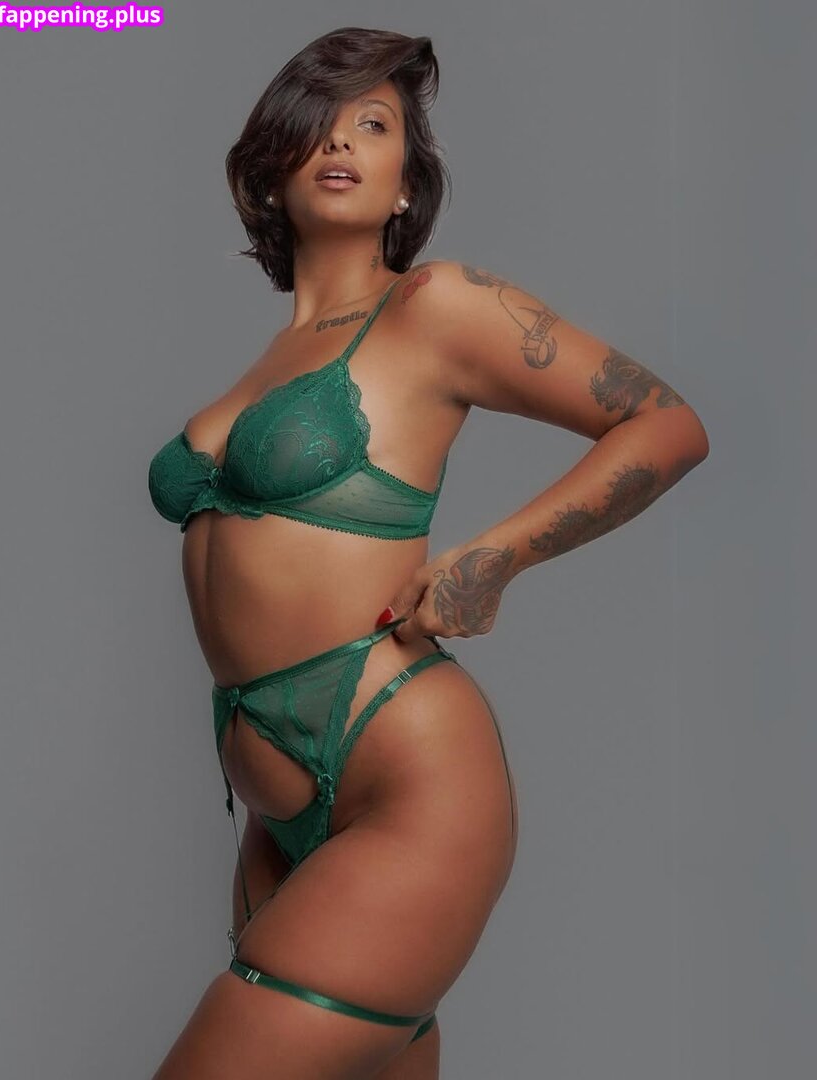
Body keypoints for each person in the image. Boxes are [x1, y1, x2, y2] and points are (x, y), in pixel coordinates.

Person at [146, 26, 709, 1080]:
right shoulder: (274, 357)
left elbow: (667, 425)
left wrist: (493, 557)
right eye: (319, 121)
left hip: (403, 778)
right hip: (278, 816)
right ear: (274, 162)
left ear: (408, 182)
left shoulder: (434, 308)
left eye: (375, 124)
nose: (342, 141)